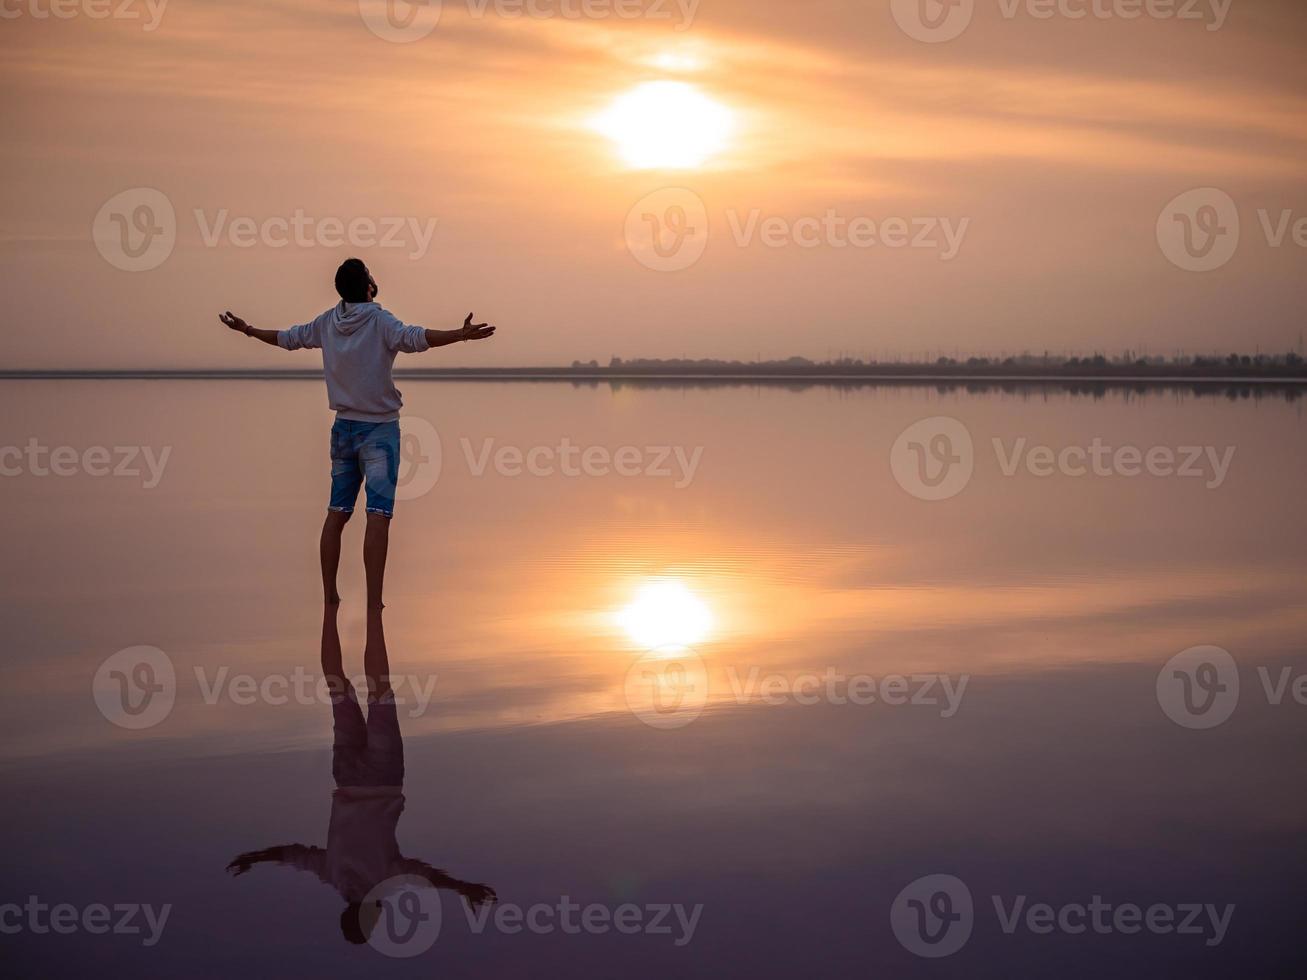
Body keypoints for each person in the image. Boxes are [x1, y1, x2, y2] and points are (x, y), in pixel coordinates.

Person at [219, 258, 496, 608]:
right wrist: (459, 335)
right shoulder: (380, 321)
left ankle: (330, 597)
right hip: (379, 432)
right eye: (369, 276)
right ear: (368, 286)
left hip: (342, 430)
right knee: (378, 516)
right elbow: (416, 338)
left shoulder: (327, 323)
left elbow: (288, 338)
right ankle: (374, 603)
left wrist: (248, 330)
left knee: (337, 512)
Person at [226, 602, 496, 945]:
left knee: (379, 693)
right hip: (346, 776)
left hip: (384, 778)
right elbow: (291, 854)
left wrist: (462, 887)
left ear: (372, 914)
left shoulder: (383, 878)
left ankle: (374, 611)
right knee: (337, 687)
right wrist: (256, 856)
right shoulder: (332, 874)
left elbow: (424, 875)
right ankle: (328, 605)